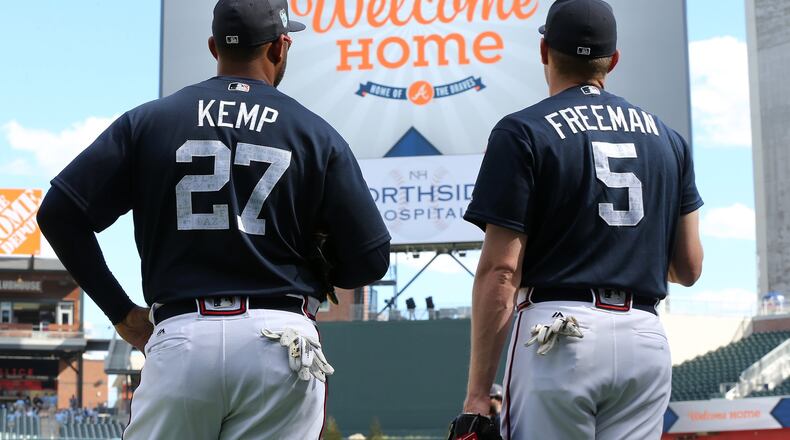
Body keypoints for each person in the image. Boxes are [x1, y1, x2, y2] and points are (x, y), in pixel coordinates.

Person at [37, 0, 390, 438]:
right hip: (281, 340)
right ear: (281, 48)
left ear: (213, 47)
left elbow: (58, 213)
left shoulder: (150, 121)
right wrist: (322, 256)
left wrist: (121, 311)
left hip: (183, 335)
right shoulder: (316, 133)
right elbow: (372, 260)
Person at [451, 0, 704, 439]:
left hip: (559, 334)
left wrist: (477, 394)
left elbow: (501, 270)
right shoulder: (669, 139)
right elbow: (689, 268)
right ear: (614, 60)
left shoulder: (524, 130)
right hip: (643, 335)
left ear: (545, 50)